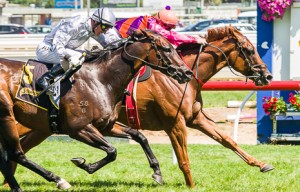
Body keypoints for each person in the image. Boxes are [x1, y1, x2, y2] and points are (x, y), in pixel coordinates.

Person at [36, 7, 116, 90]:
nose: (105, 31)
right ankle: (45, 78)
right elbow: (58, 46)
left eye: (108, 28)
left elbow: (110, 43)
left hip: (59, 51)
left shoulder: (92, 28)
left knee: (89, 54)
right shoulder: (75, 24)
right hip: (46, 49)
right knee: (78, 56)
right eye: (104, 27)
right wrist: (70, 57)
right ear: (96, 21)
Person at [114, 6, 207, 47]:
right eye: (169, 27)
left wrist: (194, 42)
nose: (170, 29)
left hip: (121, 36)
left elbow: (173, 41)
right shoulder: (153, 25)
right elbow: (172, 36)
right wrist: (194, 40)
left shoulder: (154, 22)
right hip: (114, 34)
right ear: (162, 22)